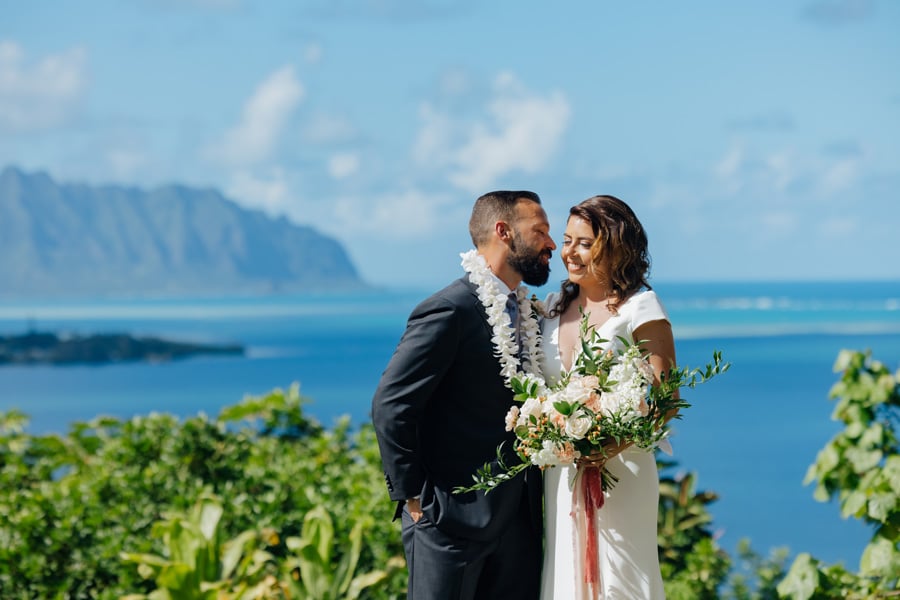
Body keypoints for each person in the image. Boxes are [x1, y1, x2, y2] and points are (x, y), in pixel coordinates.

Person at [372, 190, 557, 599]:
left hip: (519, 528)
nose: (551, 244)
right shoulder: (448, 309)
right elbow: (391, 404)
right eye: (540, 231)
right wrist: (415, 498)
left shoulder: (529, 312)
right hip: (448, 523)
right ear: (504, 232)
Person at [539, 195, 675, 599]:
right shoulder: (551, 307)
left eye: (584, 243)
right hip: (561, 473)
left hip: (623, 472)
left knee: (621, 579)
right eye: (567, 241)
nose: (569, 253)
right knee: (566, 573)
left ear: (615, 247)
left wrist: (611, 446)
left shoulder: (641, 308)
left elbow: (666, 400)